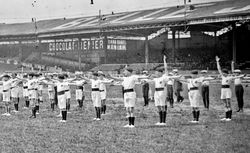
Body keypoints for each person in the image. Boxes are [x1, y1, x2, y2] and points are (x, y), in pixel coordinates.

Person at [216, 56, 244, 121]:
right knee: (225, 103)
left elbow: (236, 77)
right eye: (222, 73)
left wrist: (241, 75)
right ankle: (226, 116)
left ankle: (229, 117)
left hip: (227, 90)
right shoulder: (223, 77)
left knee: (228, 103)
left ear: (226, 73)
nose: (222, 73)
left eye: (224, 73)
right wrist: (217, 61)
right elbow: (219, 69)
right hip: (222, 90)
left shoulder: (230, 77)